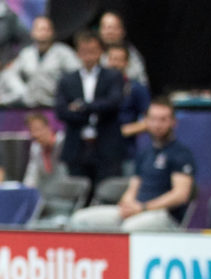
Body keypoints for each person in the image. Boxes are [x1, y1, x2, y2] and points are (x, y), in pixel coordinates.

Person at [69, 99, 195, 232]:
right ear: (146, 121)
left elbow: (181, 194)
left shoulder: (181, 154)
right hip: (137, 209)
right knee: (80, 220)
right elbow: (134, 186)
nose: (157, 124)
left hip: (163, 214)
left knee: (129, 228)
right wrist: (127, 205)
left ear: (174, 122)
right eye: (153, 119)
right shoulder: (145, 153)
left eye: (163, 119)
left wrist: (144, 208)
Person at [55, 31, 124, 190]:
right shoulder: (67, 80)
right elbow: (61, 111)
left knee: (107, 191)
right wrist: (94, 110)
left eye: (93, 51)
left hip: (106, 146)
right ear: (78, 53)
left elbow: (113, 103)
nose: (88, 55)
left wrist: (82, 106)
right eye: (84, 51)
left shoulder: (113, 76)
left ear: (101, 51)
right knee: (78, 194)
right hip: (77, 147)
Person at [12, 15, 79, 108]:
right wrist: (22, 91)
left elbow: (77, 75)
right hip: (30, 105)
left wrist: (66, 95)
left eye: (46, 29)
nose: (43, 32)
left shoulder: (64, 52)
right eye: (39, 29)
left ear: (53, 32)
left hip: (56, 105)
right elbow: (11, 74)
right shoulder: (26, 54)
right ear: (32, 32)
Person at [105, 43, 149, 162]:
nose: (114, 64)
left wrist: (123, 131)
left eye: (119, 60)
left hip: (126, 151)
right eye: (112, 59)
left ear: (127, 63)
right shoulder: (96, 87)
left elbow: (149, 121)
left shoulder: (136, 88)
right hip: (100, 150)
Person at [96, 11, 147, 88]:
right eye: (105, 27)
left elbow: (141, 83)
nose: (109, 32)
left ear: (123, 31)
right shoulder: (93, 51)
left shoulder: (132, 55)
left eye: (114, 28)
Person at [21, 110, 65, 191]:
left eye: (38, 129)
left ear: (48, 127)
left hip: (67, 191)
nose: (36, 134)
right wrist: (25, 190)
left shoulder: (63, 142)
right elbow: (32, 174)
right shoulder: (35, 148)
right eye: (32, 131)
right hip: (47, 193)